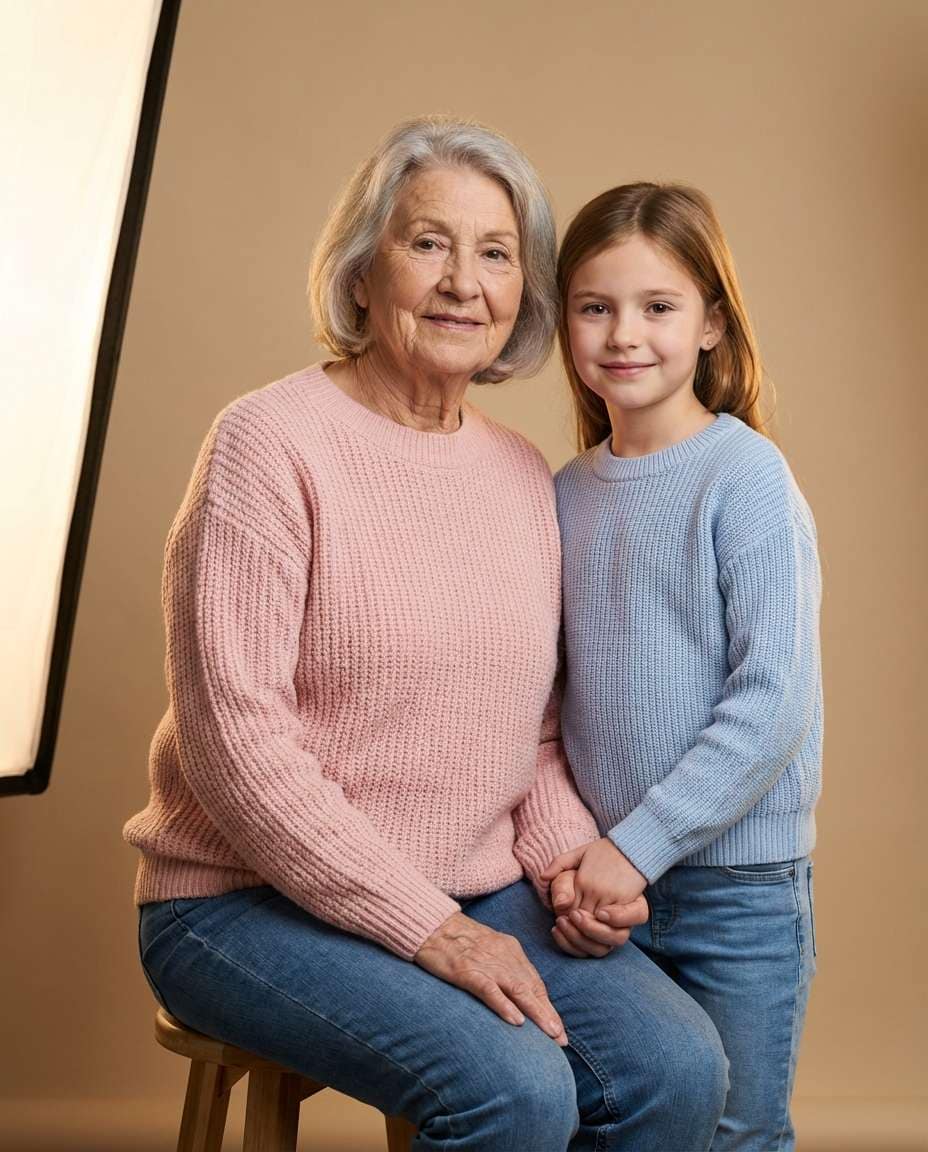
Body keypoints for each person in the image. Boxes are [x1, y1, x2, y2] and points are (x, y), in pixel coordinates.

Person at [123, 122, 729, 1151]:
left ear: (522, 293)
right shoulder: (266, 445)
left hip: (472, 883)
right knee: (514, 1091)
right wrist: (429, 929)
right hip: (240, 902)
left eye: (495, 253)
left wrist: (566, 869)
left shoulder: (520, 473)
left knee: (676, 1068)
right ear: (363, 270)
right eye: (428, 243)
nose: (462, 283)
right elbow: (238, 752)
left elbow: (534, 733)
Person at [541, 182, 822, 1151]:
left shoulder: (745, 479)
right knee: (618, 1121)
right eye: (595, 306)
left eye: (657, 306)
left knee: (736, 1133)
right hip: (602, 889)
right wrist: (590, 860)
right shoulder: (563, 494)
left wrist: (638, 846)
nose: (624, 334)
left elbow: (772, 702)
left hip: (735, 892)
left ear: (710, 324)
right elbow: (545, 702)